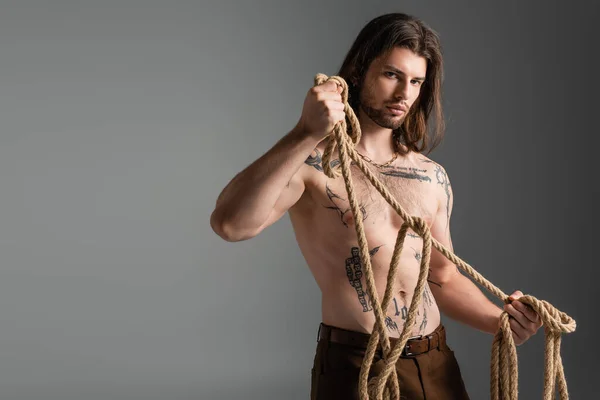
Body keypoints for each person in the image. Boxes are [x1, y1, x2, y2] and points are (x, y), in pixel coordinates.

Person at [210, 12, 543, 400]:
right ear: (358, 71)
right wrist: (304, 132)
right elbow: (231, 225)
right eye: (391, 75)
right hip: (356, 365)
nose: (404, 93)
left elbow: (444, 278)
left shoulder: (431, 176)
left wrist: (501, 322)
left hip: (434, 362)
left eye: (416, 81)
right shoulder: (315, 165)